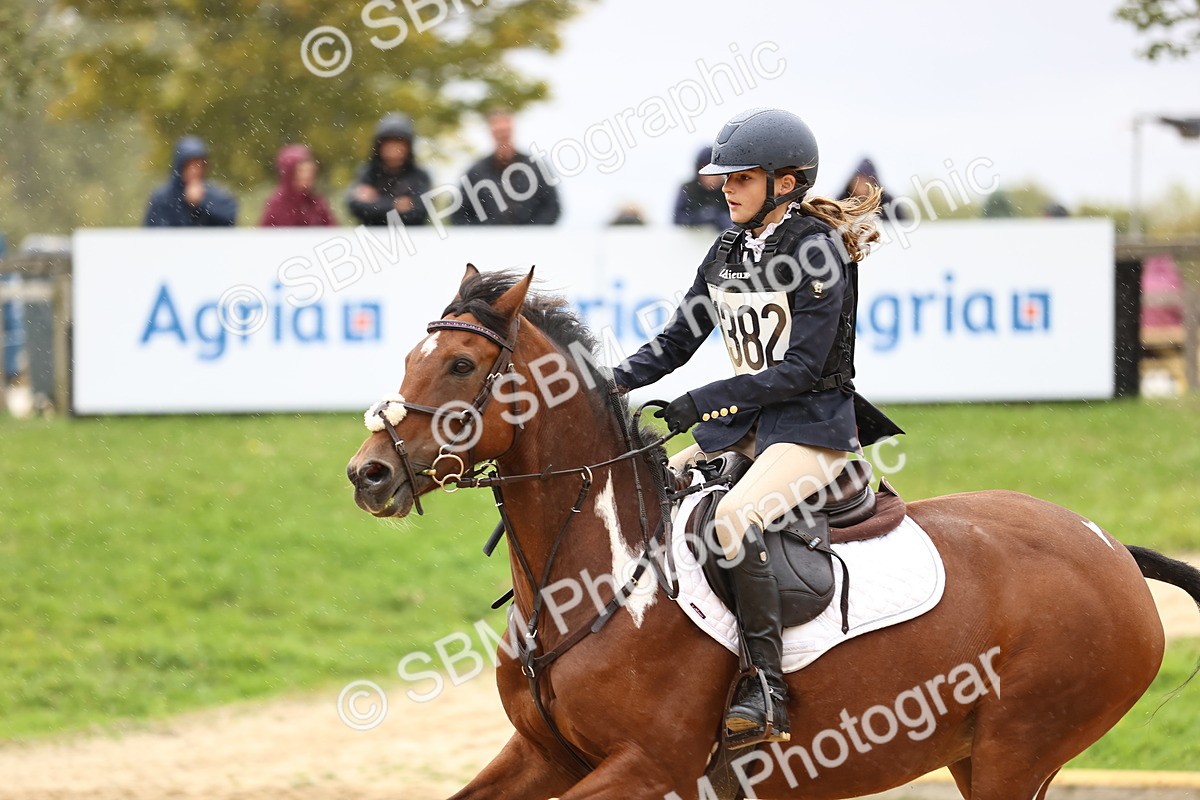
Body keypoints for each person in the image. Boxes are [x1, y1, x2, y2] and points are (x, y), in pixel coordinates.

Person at [612, 108, 902, 749]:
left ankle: (764, 684)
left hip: (814, 429)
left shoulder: (816, 250)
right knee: (653, 486)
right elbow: (675, 342)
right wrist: (604, 384)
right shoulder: (726, 249)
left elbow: (800, 369)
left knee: (732, 521)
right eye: (724, 179)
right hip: (750, 426)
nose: (725, 188)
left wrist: (698, 404)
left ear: (786, 182)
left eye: (741, 178)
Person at [451, 110, 560, 225]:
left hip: (530, 240)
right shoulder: (476, 172)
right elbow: (460, 214)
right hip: (488, 241)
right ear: (491, 134)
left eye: (506, 133)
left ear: (513, 132)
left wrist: (529, 233)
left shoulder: (535, 168)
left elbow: (552, 207)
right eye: (499, 134)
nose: (503, 138)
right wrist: (484, 235)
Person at [346, 113, 431, 226]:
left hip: (410, 239)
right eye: (389, 142)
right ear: (379, 145)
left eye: (399, 142)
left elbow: (419, 213)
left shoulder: (419, 176)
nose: (394, 148)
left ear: (408, 146)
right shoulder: (367, 173)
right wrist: (396, 205)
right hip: (371, 239)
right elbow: (355, 207)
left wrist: (375, 202)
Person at [144, 136, 238, 227]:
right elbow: (155, 231)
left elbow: (229, 218)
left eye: (199, 166)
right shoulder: (162, 198)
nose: (195, 171)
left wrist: (201, 203)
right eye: (190, 166)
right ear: (180, 166)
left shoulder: (214, 195)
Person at [260, 144, 336, 227]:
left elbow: (333, 233)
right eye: (301, 171)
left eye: (310, 171)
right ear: (289, 174)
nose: (307, 176)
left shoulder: (318, 204)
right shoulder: (276, 205)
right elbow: (265, 237)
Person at [673, 146, 733, 229]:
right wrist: (699, 218)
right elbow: (677, 219)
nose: (710, 176)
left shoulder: (728, 189)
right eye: (706, 171)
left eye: (714, 171)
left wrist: (723, 220)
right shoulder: (688, 189)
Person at [840, 157, 908, 223]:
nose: (862, 187)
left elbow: (902, 225)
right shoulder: (841, 203)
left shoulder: (889, 204)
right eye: (858, 182)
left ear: (873, 184)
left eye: (866, 183)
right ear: (852, 183)